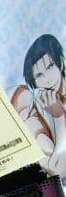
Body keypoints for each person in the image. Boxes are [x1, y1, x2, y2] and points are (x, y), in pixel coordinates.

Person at [11, 34, 65, 179]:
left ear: (60, 62)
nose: (48, 79)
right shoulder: (37, 107)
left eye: (50, 66)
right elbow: (58, 170)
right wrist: (58, 115)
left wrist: (59, 115)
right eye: (39, 75)